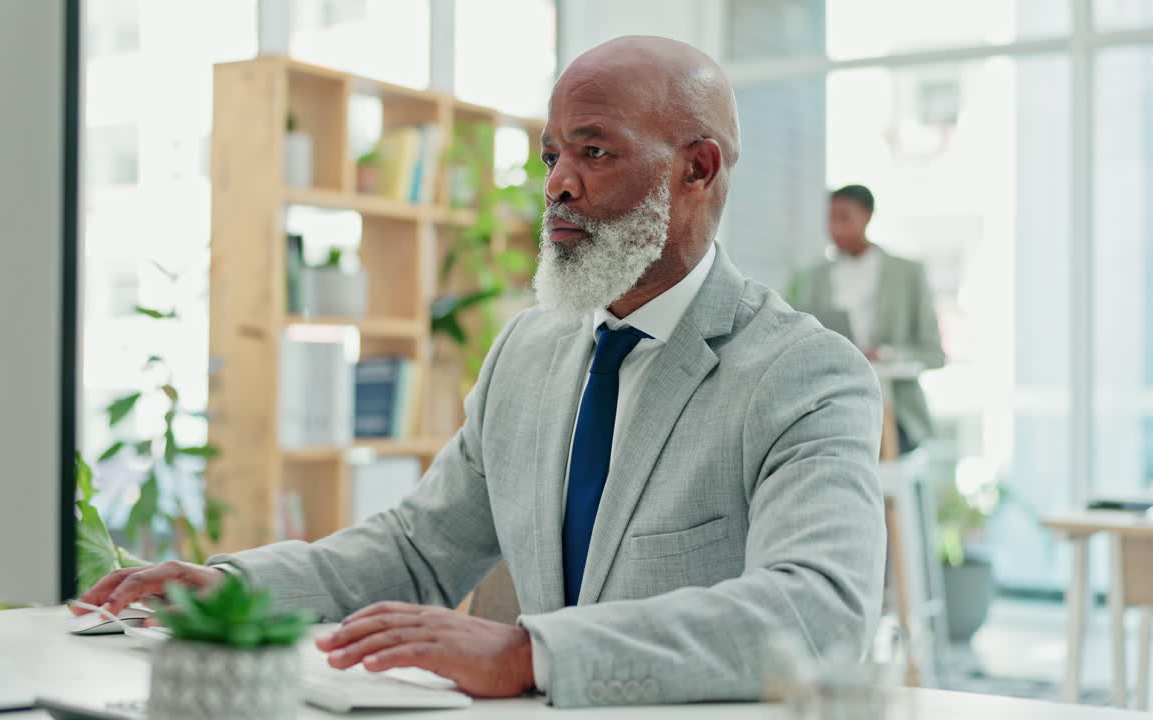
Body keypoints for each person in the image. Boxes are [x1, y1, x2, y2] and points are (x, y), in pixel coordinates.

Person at [77, 37, 886, 707]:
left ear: (698, 169)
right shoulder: (527, 352)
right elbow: (418, 550)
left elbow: (818, 608)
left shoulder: (803, 374)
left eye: (593, 152)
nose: (558, 186)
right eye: (551, 156)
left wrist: (531, 652)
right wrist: (234, 592)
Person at [791, 184, 945, 454]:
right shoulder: (816, 276)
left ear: (867, 216)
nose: (835, 229)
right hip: (828, 402)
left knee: (854, 444)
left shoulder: (907, 273)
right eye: (830, 219)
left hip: (894, 412)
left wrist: (886, 355)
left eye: (844, 218)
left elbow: (934, 353)